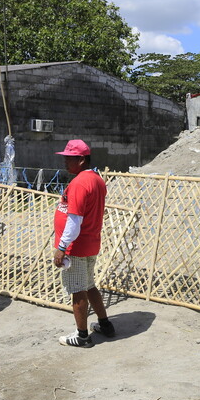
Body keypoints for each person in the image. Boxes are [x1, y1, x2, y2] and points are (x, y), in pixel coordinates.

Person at [53, 139, 114, 347]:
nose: (65, 163)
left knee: (77, 290)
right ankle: (105, 324)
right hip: (90, 242)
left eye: (69, 159)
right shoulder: (96, 179)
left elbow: (74, 220)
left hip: (76, 247)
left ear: (81, 160)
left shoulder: (80, 183)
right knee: (89, 285)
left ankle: (82, 336)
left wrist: (62, 247)